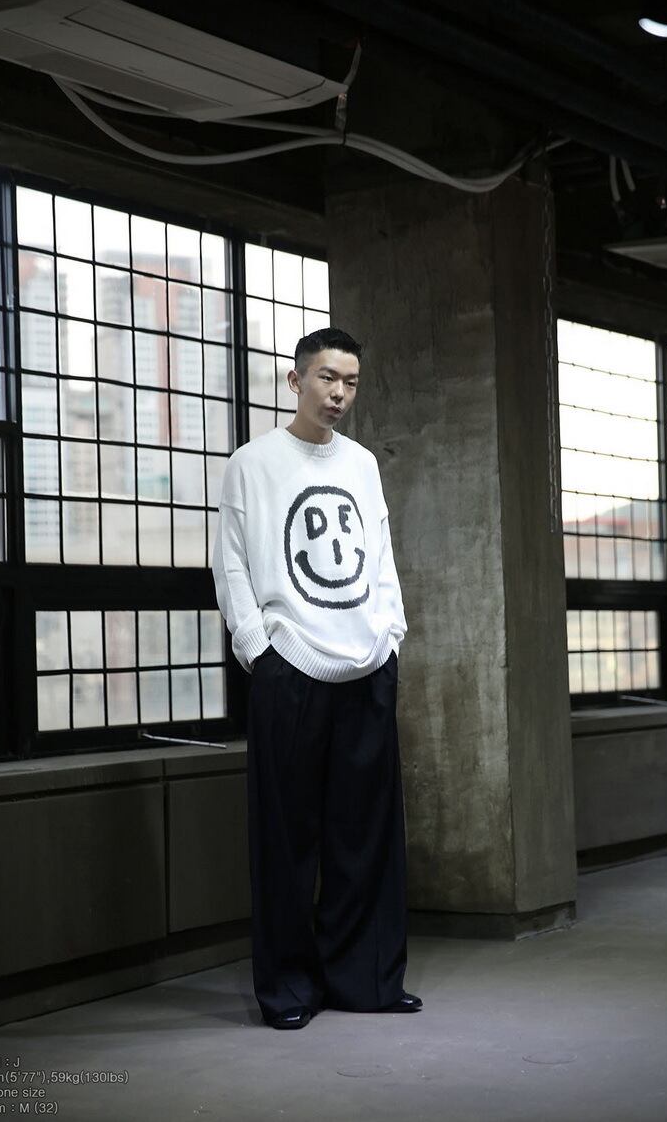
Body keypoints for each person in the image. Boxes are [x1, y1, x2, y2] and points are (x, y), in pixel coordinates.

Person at [212, 327, 421, 1030]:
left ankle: (366, 981)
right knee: (286, 840)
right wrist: (257, 648)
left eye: (350, 382)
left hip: (367, 665)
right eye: (327, 377)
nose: (338, 393)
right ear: (295, 379)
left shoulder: (362, 463)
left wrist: (391, 634)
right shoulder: (252, 463)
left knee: (366, 838)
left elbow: (380, 554)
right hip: (290, 667)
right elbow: (231, 561)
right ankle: (289, 990)